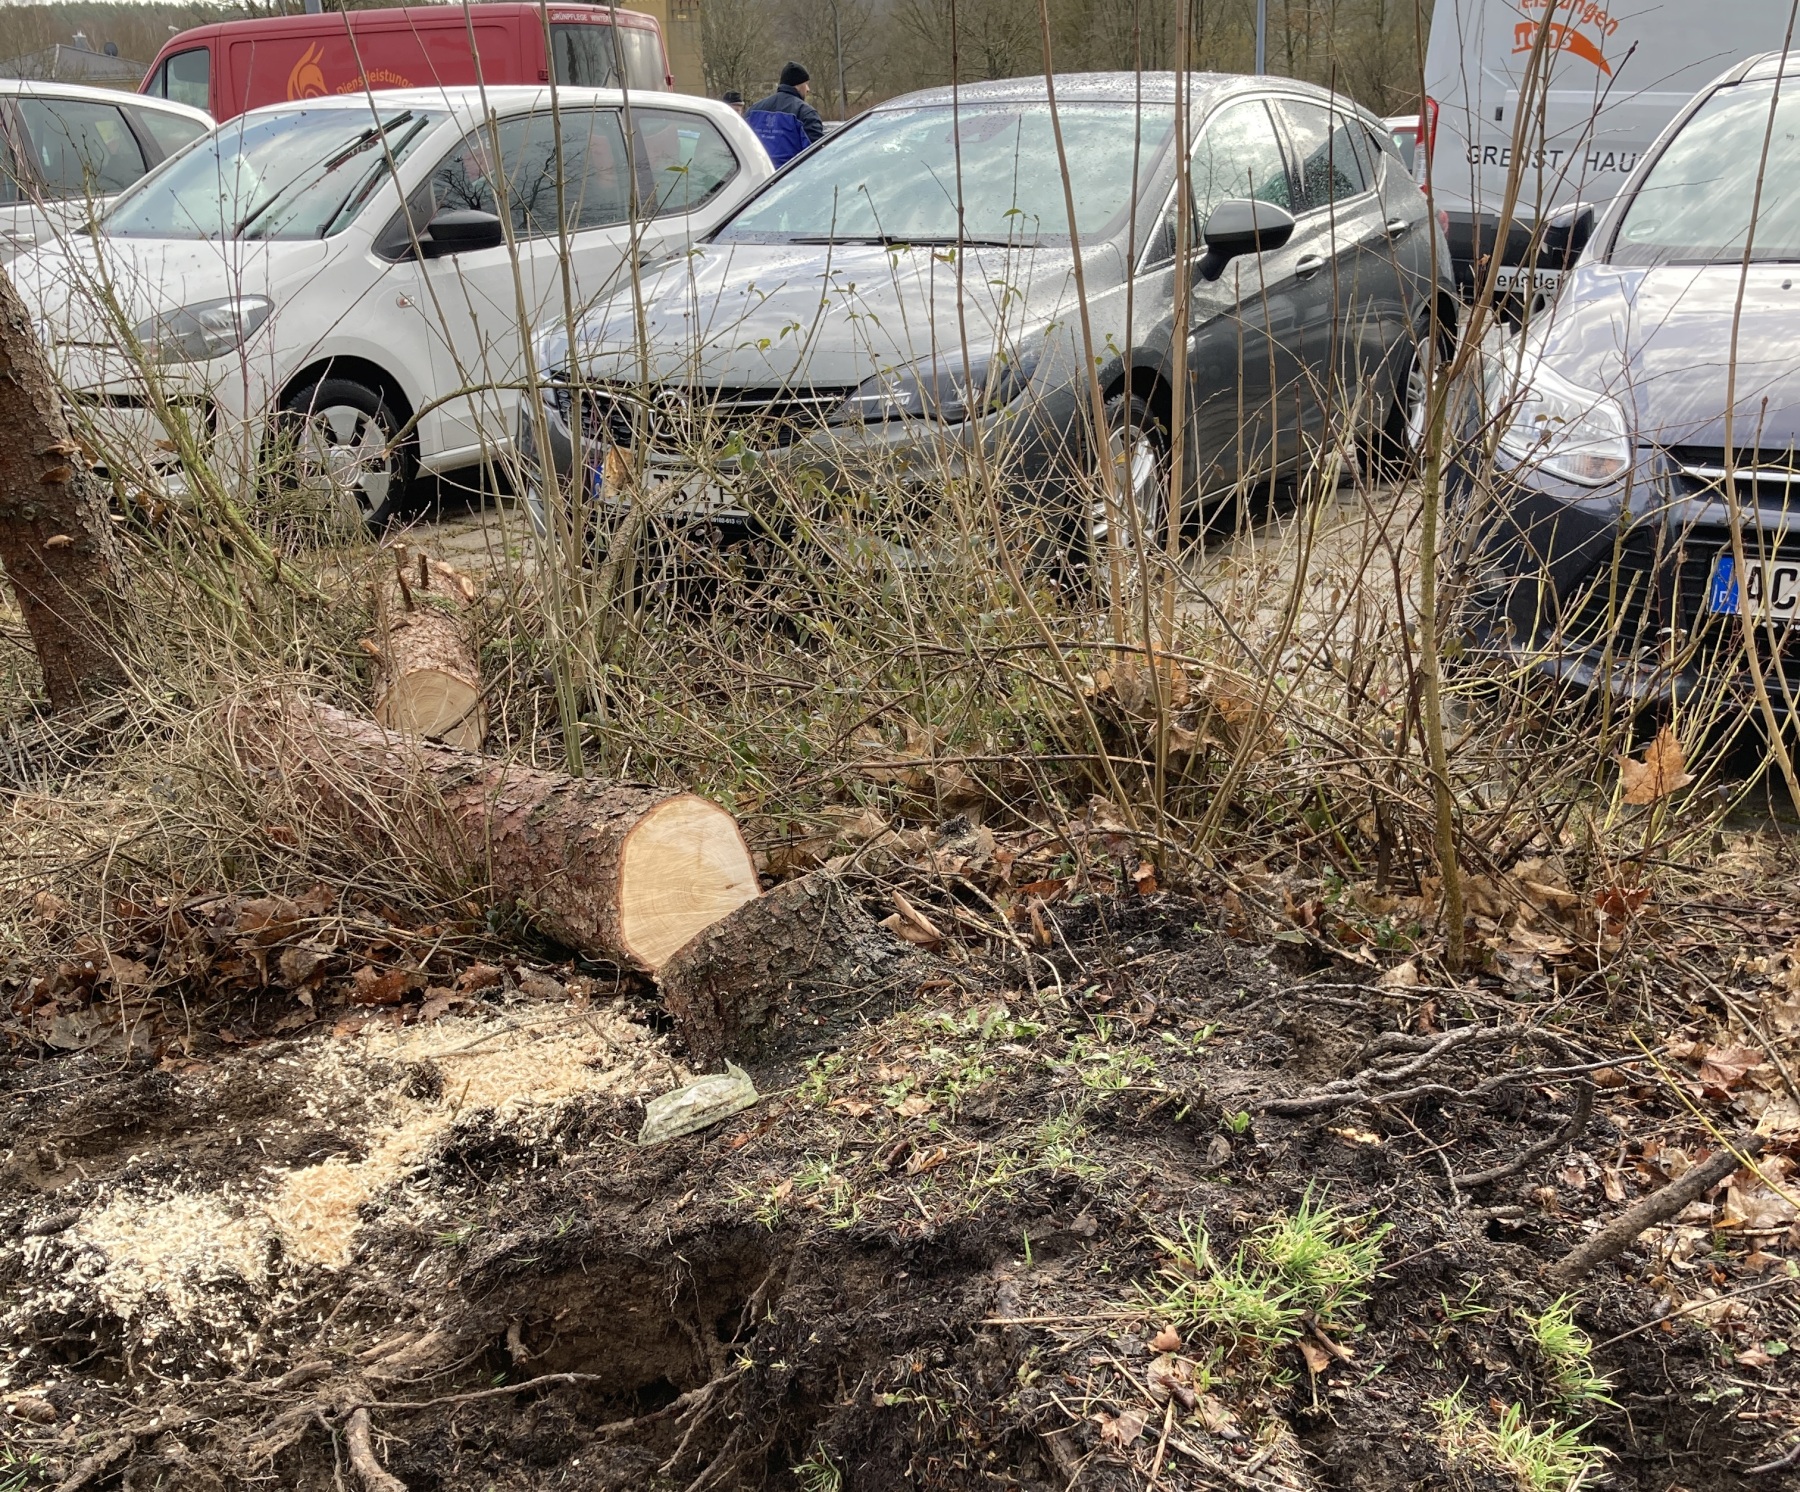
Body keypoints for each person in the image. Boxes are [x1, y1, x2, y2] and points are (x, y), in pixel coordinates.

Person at [746, 62, 824, 168]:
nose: (808, 89)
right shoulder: (805, 113)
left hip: (759, 179)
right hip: (791, 179)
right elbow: (817, 155)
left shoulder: (753, 111)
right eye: (806, 84)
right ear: (798, 85)